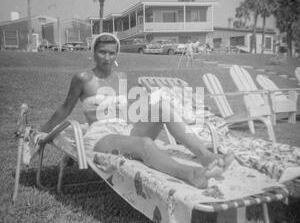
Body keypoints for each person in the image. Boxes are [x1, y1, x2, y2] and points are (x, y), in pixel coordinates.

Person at [40, 33, 234, 189]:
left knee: (162, 107)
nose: (107, 58)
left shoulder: (120, 76)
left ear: (117, 54)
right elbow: (65, 108)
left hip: (125, 128)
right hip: (101, 136)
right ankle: (192, 175)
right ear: (94, 52)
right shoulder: (83, 78)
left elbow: (123, 110)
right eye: (102, 52)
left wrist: (146, 114)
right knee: (145, 144)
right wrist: (42, 131)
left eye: (111, 53)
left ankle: (205, 156)